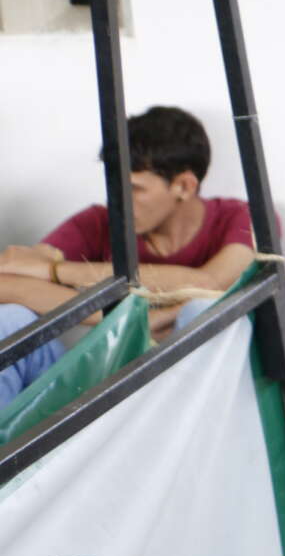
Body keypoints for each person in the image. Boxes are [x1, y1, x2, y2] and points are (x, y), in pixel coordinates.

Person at [0, 106, 256, 385]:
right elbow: (6, 281)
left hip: (190, 391)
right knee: (10, 319)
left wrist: (55, 271)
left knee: (196, 310)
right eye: (113, 186)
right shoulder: (97, 222)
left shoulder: (242, 218)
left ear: (184, 186)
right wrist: (126, 319)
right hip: (103, 388)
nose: (117, 201)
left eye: (134, 188)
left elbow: (209, 284)